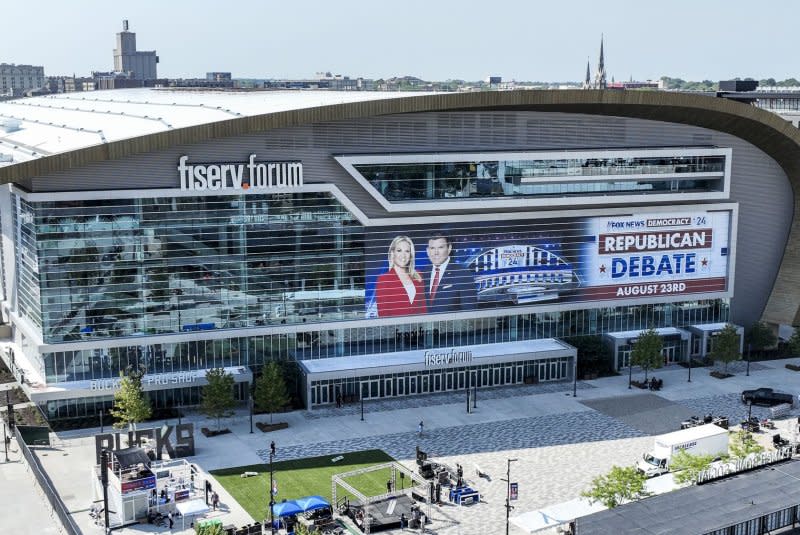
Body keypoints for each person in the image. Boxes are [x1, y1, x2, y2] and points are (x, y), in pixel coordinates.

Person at [425, 233, 478, 314]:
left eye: (440, 247)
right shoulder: (424, 273)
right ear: (428, 251)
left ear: (449, 248)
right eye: (432, 248)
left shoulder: (463, 274)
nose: (436, 252)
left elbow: (470, 312)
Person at [375, 236, 427, 318]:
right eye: (399, 250)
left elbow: (423, 309)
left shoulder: (418, 276)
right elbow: (383, 315)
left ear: (411, 255)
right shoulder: (383, 280)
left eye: (407, 251)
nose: (403, 255)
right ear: (392, 253)